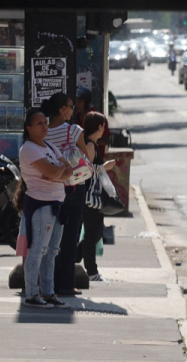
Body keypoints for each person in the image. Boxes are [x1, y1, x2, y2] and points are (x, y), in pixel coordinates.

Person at [18, 108, 72, 308]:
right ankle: (32, 294)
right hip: (41, 204)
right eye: (39, 123)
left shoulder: (49, 146)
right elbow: (53, 171)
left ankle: (48, 293)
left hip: (57, 203)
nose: (44, 127)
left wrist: (56, 173)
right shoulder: (29, 148)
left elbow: (69, 169)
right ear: (29, 128)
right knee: (38, 249)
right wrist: (57, 172)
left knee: (52, 251)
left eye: (46, 122)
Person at [41, 92, 89, 296]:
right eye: (70, 106)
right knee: (70, 237)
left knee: (50, 238)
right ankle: (66, 284)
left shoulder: (42, 132)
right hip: (72, 188)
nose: (73, 109)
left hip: (50, 188)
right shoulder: (74, 131)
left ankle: (47, 282)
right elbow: (85, 157)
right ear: (63, 109)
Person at [79, 111, 116, 282]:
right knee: (92, 235)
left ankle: (72, 258)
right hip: (89, 197)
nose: (104, 130)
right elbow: (89, 170)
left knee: (94, 234)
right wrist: (105, 167)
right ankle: (92, 271)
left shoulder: (91, 143)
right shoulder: (90, 145)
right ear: (98, 127)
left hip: (92, 197)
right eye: (103, 126)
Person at [75, 86, 110, 159]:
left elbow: (105, 140)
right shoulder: (74, 118)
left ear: (86, 102)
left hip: (96, 160)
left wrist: (88, 140)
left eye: (80, 101)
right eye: (75, 101)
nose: (77, 104)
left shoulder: (97, 118)